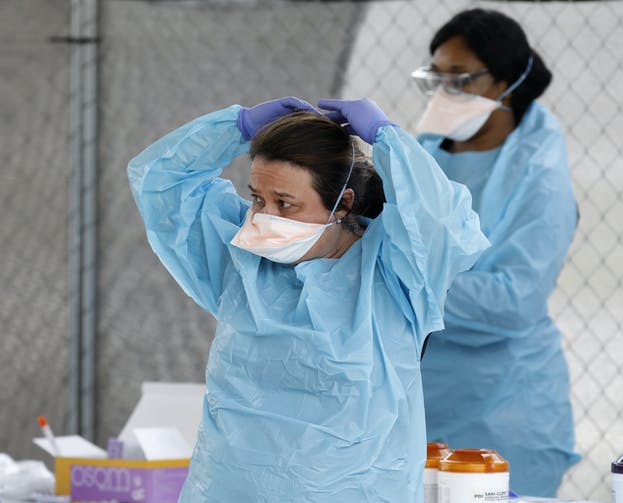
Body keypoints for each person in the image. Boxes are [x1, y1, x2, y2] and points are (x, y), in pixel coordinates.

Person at [127, 96, 489, 502]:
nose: (265, 216)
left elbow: (440, 221)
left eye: (286, 203)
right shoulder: (241, 260)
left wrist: (388, 139)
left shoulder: (396, 276)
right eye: (258, 198)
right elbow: (161, 182)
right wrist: (236, 127)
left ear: (344, 203)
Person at [411, 8, 581, 497]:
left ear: (506, 81)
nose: (445, 92)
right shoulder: (427, 152)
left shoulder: (539, 176)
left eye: (460, 79)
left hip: (504, 408)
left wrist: (405, 284)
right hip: (418, 397)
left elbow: (512, 301)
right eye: (436, 78)